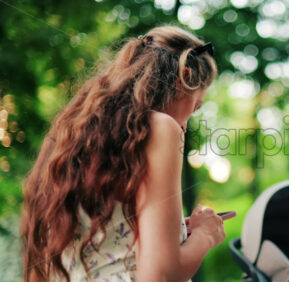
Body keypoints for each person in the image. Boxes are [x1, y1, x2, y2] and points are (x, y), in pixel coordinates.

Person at [20, 24, 225, 281]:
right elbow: (160, 275)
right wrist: (206, 235)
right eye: (195, 107)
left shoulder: (75, 136)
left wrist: (172, 231)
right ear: (185, 76)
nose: (185, 125)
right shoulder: (161, 127)